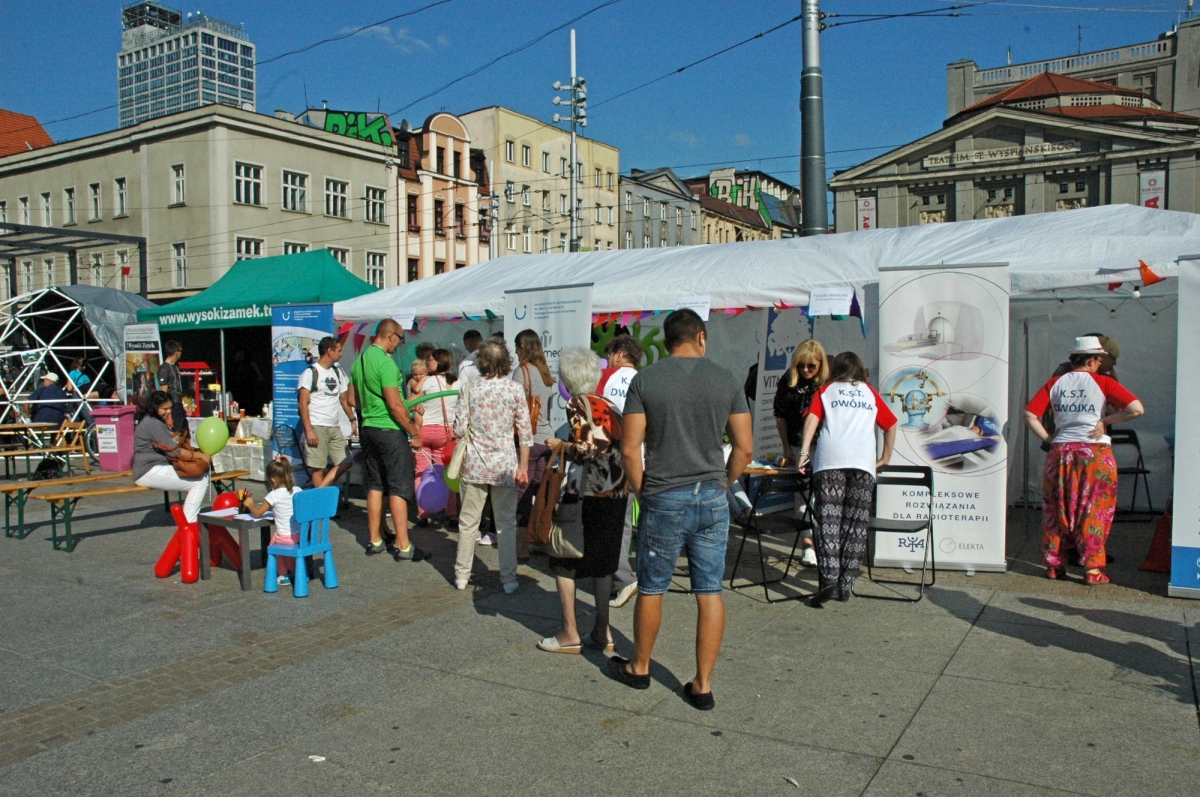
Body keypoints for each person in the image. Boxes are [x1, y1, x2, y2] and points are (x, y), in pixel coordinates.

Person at [611, 308, 754, 711]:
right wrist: (722, 484)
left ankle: (640, 667)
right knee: (709, 590)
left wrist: (643, 492)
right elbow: (744, 447)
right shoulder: (725, 379)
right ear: (701, 337)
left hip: (663, 494)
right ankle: (703, 684)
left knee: (653, 586)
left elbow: (629, 449)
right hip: (710, 494)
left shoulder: (646, 380)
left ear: (670, 339)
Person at [1023, 336, 1144, 584]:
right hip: (1094, 453)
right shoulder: (1103, 383)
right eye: (1099, 360)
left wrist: (1049, 437)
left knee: (1056, 509)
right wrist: (1105, 421)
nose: (1100, 364)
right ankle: (1092, 569)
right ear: (1091, 360)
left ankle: (1054, 565)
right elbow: (1136, 409)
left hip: (1060, 453)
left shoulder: (1055, 383)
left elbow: (1029, 414)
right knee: (1095, 509)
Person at [538, 347, 627, 653]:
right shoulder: (611, 405)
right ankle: (603, 631)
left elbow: (587, 447)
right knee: (603, 565)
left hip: (585, 494)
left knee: (564, 560)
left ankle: (569, 633)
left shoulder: (578, 403)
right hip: (615, 493)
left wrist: (563, 446)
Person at [798, 351, 897, 607]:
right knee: (855, 524)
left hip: (830, 462)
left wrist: (804, 452)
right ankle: (846, 585)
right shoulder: (869, 393)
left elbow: (812, 418)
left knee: (828, 520)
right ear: (859, 368)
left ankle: (829, 580)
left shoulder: (826, 390)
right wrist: (885, 457)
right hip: (863, 464)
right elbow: (890, 423)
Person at [452, 340, 532, 593]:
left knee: (468, 523)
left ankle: (462, 575)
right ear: (506, 362)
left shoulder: (469, 389)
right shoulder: (514, 390)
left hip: (474, 465)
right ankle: (508, 579)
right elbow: (526, 433)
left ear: (482, 362)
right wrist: (523, 467)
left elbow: (459, 429)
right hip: (505, 466)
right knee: (506, 524)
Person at [348, 319, 428, 562]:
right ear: (391, 336)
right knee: (398, 486)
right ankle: (404, 546)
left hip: (368, 429)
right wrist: (413, 432)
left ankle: (375, 540)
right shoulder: (387, 364)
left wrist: (371, 410)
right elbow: (395, 405)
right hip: (389, 431)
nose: (401, 343)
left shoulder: (359, 361)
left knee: (375, 485)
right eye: (400, 338)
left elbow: (353, 400)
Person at [773, 339, 830, 567]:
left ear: (820, 365)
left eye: (811, 366)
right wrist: (786, 447)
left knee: (824, 497)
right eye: (801, 366)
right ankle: (808, 544)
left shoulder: (828, 383)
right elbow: (780, 416)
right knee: (803, 496)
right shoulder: (788, 381)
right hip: (798, 444)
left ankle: (825, 543)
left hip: (826, 446)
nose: (805, 371)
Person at [597, 334, 644, 609]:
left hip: (610, 456)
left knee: (610, 521)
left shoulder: (606, 376)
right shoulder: (643, 379)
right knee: (625, 519)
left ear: (618, 353)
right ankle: (622, 576)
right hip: (639, 455)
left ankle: (620, 578)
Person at [133, 390, 211, 522]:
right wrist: (201, 456)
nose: (168, 411)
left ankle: (188, 520)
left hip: (151, 468)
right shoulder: (153, 423)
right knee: (200, 481)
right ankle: (189, 523)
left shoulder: (151, 420)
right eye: (164, 409)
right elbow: (173, 451)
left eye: (170, 408)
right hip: (148, 470)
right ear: (155, 407)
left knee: (198, 479)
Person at [512, 329, 556, 559]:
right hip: (547, 439)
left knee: (520, 493)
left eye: (517, 346)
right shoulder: (545, 371)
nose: (516, 350)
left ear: (523, 346)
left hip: (528, 440)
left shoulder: (522, 372)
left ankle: (521, 545)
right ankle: (539, 537)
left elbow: (515, 407)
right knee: (539, 493)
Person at [298, 336, 356, 488]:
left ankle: (321, 490)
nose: (341, 354)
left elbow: (344, 400)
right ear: (329, 351)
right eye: (339, 350)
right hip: (316, 425)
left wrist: (352, 420)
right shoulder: (310, 373)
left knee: (346, 461)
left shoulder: (338, 372)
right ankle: (320, 507)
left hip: (334, 426)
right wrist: (309, 430)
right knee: (319, 467)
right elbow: (302, 404)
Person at [413, 348, 459, 524]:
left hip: (424, 430)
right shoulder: (458, 382)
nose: (427, 362)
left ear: (439, 361)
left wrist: (418, 407)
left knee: (421, 472)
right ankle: (451, 513)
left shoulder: (428, 381)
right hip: (446, 433)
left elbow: (409, 403)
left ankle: (423, 513)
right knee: (447, 472)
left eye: (431, 360)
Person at [241, 459, 301, 587]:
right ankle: (294, 569)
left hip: (285, 537)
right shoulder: (298, 490)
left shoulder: (273, 495)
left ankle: (283, 574)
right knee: (286, 544)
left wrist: (250, 504)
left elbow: (258, 513)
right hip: (300, 535)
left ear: (272, 480)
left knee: (274, 545)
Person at [157, 340, 187, 431]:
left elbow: (179, 387)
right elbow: (164, 393)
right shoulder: (164, 369)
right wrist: (168, 415)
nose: (181, 354)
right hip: (172, 404)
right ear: (176, 352)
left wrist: (184, 404)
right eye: (181, 351)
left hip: (179, 403)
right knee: (178, 432)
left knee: (185, 432)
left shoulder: (176, 366)